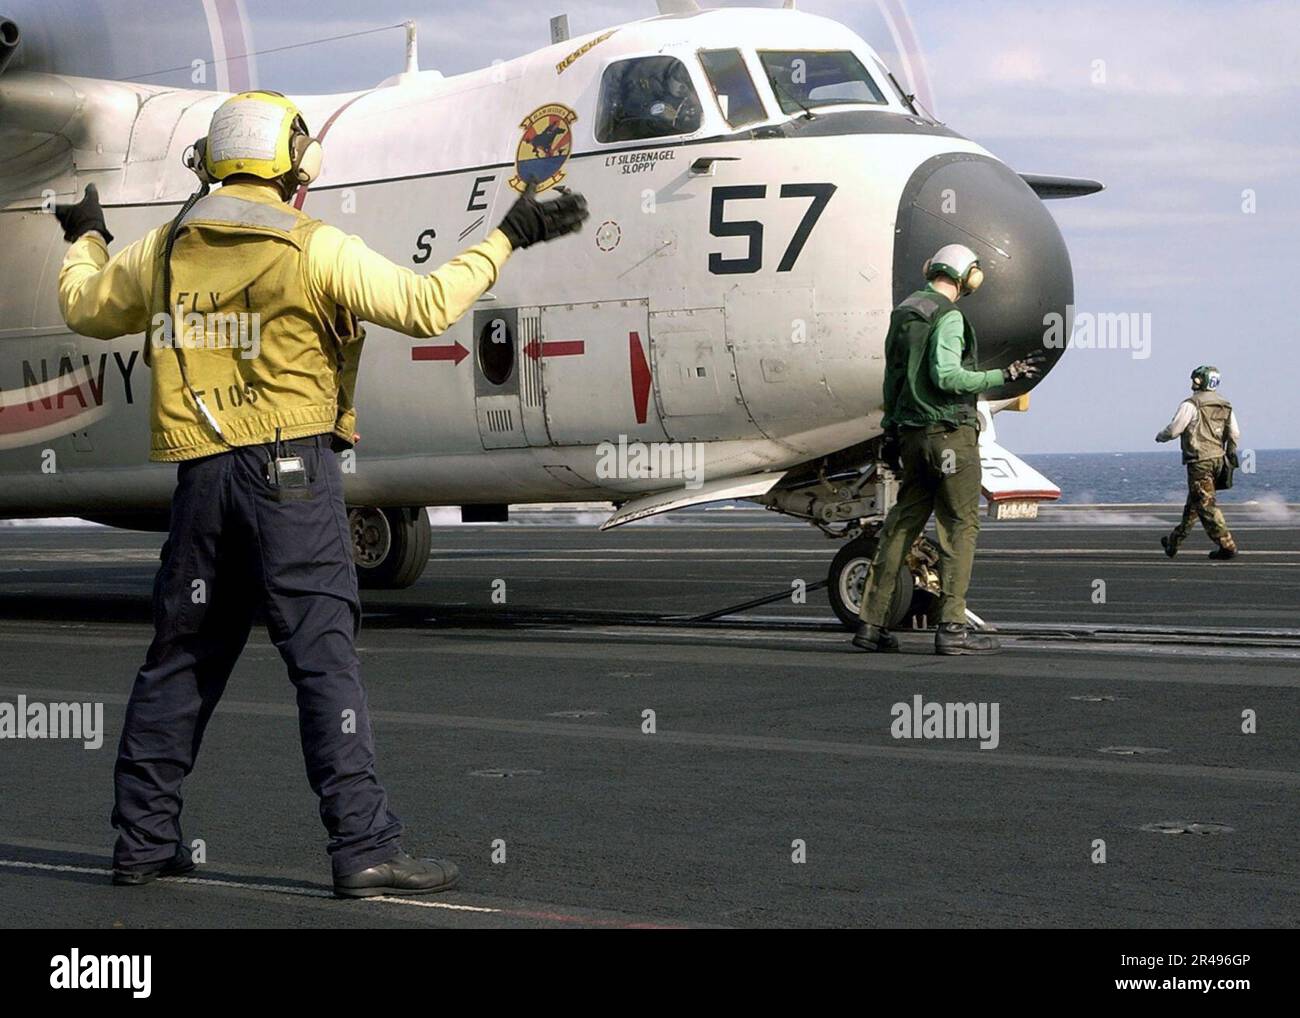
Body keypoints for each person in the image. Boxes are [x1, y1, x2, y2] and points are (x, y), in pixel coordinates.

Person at [54, 90, 588, 896]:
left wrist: (86, 237)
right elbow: (425, 305)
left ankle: (141, 842)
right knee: (322, 665)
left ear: (213, 160)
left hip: (202, 485)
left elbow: (83, 307)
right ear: (289, 164)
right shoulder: (313, 246)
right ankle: (363, 847)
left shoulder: (163, 250)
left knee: (179, 662)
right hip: (290, 483)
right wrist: (511, 232)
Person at [852, 244, 1042, 656]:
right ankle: (952, 629)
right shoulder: (949, 316)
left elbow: (893, 380)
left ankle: (871, 624)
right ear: (968, 276)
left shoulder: (903, 313)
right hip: (949, 435)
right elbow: (947, 376)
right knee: (958, 527)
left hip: (911, 437)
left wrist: (890, 430)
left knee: (901, 526)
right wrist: (1001, 374)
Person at [1156, 365, 1240, 559]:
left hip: (1200, 461)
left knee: (1205, 505)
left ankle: (1227, 545)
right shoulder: (1225, 405)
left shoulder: (1191, 404)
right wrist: (1230, 453)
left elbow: (1174, 430)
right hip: (1219, 459)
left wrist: (1160, 436)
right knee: (1195, 504)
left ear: (1199, 380)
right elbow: (1234, 433)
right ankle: (1173, 542)